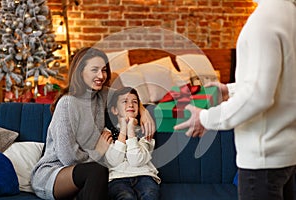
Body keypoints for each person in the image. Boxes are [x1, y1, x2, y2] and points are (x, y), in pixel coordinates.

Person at [174, 0, 296, 200]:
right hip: (286, 155)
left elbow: (259, 95)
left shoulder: (263, 21)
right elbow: (279, 82)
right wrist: (229, 91)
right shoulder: (289, 13)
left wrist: (205, 118)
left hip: (262, 161)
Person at [31, 47, 155, 200]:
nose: (101, 76)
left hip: (89, 176)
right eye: (94, 70)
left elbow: (126, 97)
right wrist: (98, 152)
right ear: (80, 71)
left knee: (104, 176)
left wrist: (144, 111)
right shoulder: (67, 103)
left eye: (103, 70)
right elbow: (67, 158)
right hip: (56, 173)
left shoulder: (101, 95)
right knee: (99, 170)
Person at [105, 87, 160, 200]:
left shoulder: (146, 130)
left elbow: (136, 161)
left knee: (150, 194)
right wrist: (123, 130)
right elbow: (114, 160)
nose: (130, 104)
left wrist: (131, 131)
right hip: (117, 177)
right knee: (126, 197)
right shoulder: (108, 131)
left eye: (134, 102)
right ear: (115, 110)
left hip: (145, 175)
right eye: (125, 101)